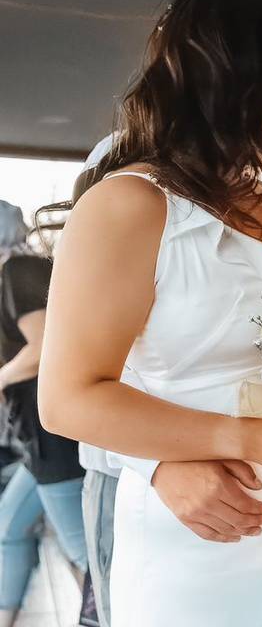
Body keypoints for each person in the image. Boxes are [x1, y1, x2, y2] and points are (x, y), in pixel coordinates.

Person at [36, 0, 262, 625]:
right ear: (237, 76)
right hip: (204, 556)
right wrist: (239, 443)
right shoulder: (127, 207)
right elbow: (68, 399)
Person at [0, 200, 87, 627]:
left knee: (85, 554)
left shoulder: (18, 272)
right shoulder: (16, 273)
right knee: (8, 528)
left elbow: (41, 351)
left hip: (53, 437)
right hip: (38, 440)